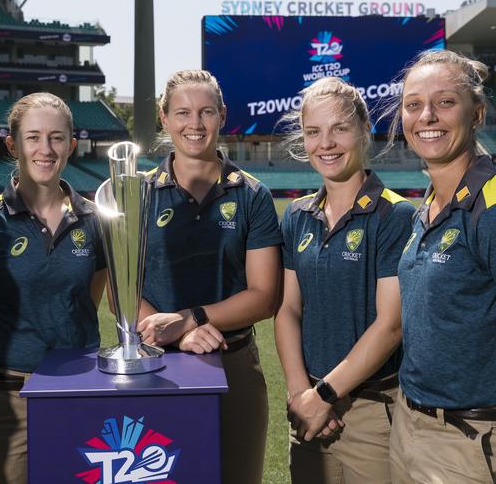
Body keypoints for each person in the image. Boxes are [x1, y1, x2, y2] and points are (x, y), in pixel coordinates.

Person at [136, 70, 281, 484]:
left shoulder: (252, 194)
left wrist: (189, 318)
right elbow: (121, 289)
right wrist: (177, 336)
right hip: (156, 365)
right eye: (182, 112)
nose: (194, 124)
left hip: (233, 363)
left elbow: (264, 297)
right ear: (164, 117)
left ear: (223, 116)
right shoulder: (139, 192)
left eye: (206, 112)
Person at [0, 92, 106, 484]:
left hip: (81, 392)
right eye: (33, 137)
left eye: (57, 138)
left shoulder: (95, 220)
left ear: (71, 145)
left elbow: (86, 300)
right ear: (12, 144)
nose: (46, 149)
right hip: (8, 401)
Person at [275, 76, 415, 483]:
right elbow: (287, 309)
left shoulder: (395, 216)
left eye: (339, 129)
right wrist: (302, 394)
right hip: (307, 410)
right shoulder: (297, 216)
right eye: (314, 132)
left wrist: (325, 396)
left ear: (363, 131)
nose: (326, 144)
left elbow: (390, 326)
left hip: (370, 412)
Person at [386, 50, 496, 483]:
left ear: (478, 113)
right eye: (414, 104)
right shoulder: (429, 206)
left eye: (445, 102)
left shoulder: (488, 207)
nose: (426, 116)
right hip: (410, 425)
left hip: (468, 440)